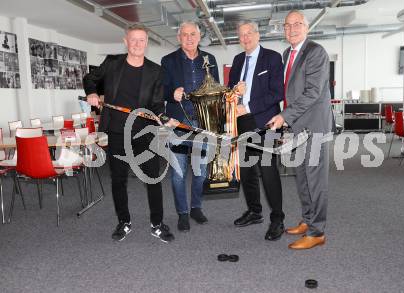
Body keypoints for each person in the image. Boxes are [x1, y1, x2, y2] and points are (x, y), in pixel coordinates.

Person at [83, 23, 177, 243]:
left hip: (145, 133)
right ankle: (124, 222)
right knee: (118, 180)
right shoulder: (112, 63)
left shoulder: (156, 71)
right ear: (126, 41)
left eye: (141, 40)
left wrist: (163, 119)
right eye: (133, 40)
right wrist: (92, 94)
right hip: (117, 133)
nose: (137, 44)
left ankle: (157, 223)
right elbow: (90, 79)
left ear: (147, 43)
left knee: (153, 179)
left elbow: (156, 105)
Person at [267, 10, 334, 249]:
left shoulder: (316, 52)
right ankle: (308, 220)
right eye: (287, 25)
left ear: (306, 27)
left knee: (316, 180)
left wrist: (284, 116)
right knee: (303, 178)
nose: (292, 29)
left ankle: (317, 232)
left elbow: (312, 93)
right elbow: (290, 91)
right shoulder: (288, 53)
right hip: (298, 127)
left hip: (315, 126)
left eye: (297, 24)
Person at [228, 20, 285, 241]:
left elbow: (276, 93)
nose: (246, 38)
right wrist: (234, 93)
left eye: (249, 33)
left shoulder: (272, 58)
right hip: (242, 123)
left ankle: (277, 219)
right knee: (247, 171)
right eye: (241, 35)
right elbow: (231, 94)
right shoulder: (237, 60)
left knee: (268, 171)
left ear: (258, 34)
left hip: (266, 122)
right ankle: (254, 211)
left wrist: (248, 106)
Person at [161, 21, 219, 232]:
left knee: (201, 172)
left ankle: (196, 207)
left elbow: (216, 92)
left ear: (199, 36)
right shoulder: (168, 61)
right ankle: (182, 213)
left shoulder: (209, 59)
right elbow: (162, 91)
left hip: (203, 125)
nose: (189, 38)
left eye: (193, 34)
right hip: (178, 124)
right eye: (184, 34)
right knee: (178, 173)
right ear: (179, 38)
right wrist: (171, 94)